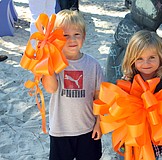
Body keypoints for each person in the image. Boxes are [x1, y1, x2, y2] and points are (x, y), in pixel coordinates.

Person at [42, 9, 104, 160]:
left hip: (87, 129)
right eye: (65, 36)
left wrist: (99, 123)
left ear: (84, 36)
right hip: (60, 130)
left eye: (77, 35)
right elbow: (51, 88)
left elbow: (99, 97)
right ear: (55, 38)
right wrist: (48, 59)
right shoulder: (53, 63)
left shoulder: (93, 65)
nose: (72, 40)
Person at [120, 30, 162, 160]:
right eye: (140, 58)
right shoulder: (127, 81)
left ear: (161, 57)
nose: (146, 63)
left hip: (154, 133)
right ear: (131, 59)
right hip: (131, 134)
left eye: (152, 57)